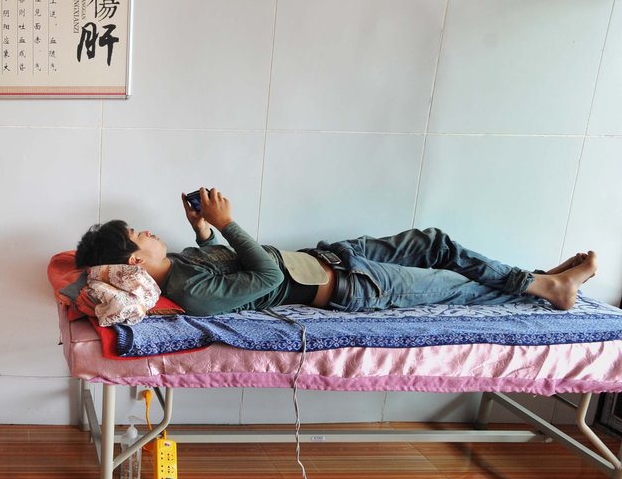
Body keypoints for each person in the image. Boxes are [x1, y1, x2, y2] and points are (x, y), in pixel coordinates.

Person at [74, 187, 597, 316]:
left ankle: (540, 281)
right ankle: (546, 288)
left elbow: (215, 262)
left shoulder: (183, 264)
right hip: (353, 287)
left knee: (434, 241)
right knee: (456, 288)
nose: (150, 230)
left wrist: (204, 231)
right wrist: (227, 223)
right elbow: (262, 279)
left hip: (336, 256)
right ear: (135, 262)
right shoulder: (188, 292)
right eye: (141, 233)